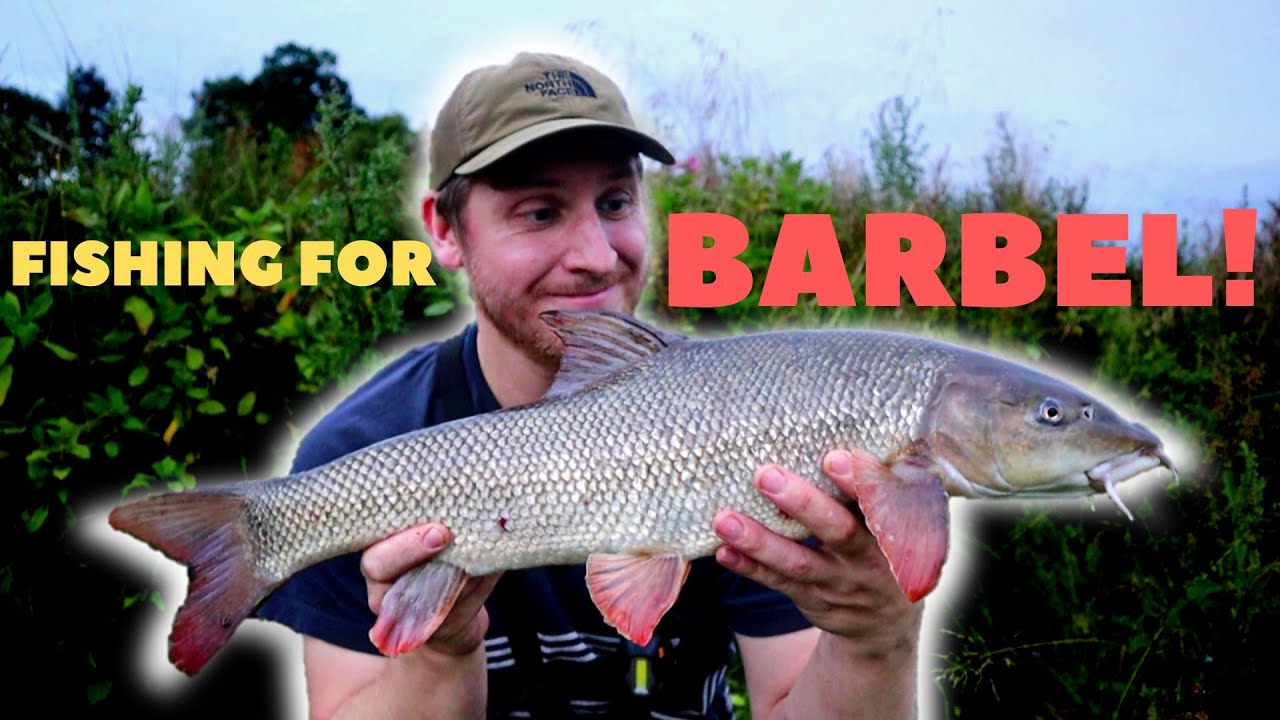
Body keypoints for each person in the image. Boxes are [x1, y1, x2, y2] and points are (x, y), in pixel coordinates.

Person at [255, 51, 924, 719]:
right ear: (446, 230)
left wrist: (876, 640)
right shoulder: (356, 456)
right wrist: (443, 649)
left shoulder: (765, 425)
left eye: (615, 201)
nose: (598, 257)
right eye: (540, 212)